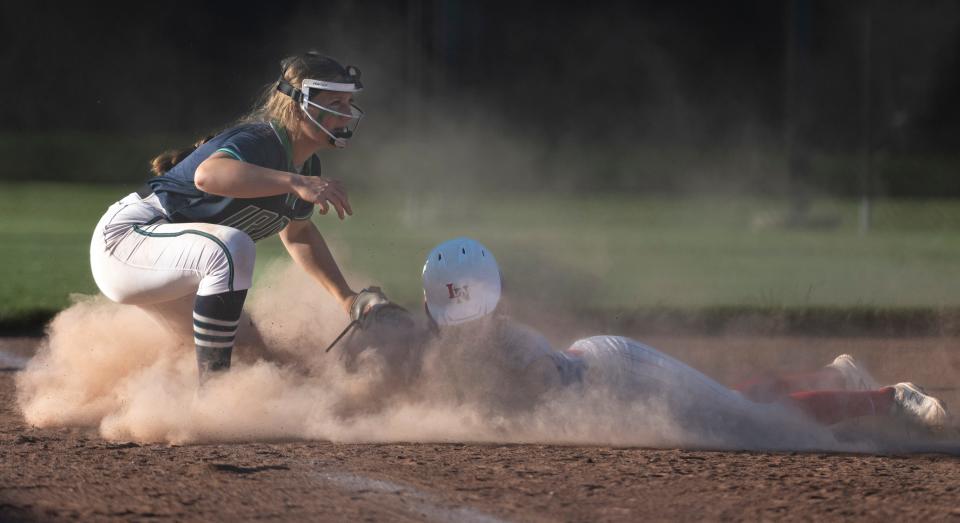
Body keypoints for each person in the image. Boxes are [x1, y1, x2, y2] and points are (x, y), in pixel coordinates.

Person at [348, 237, 950, 431]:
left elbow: (509, 410)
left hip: (621, 372)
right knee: (727, 396)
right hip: (606, 366)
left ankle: (886, 398)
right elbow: (409, 334)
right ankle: (837, 374)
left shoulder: (505, 346)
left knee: (749, 422)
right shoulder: (445, 326)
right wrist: (372, 307)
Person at [89, 52, 392, 383]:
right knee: (233, 246)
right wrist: (295, 182)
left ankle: (166, 402)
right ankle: (215, 394)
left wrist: (347, 298)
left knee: (258, 361)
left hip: (175, 273)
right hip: (129, 240)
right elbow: (208, 175)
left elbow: (298, 234)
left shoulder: (305, 165)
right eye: (336, 101)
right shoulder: (262, 140)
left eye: (349, 102)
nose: (346, 113)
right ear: (298, 104)